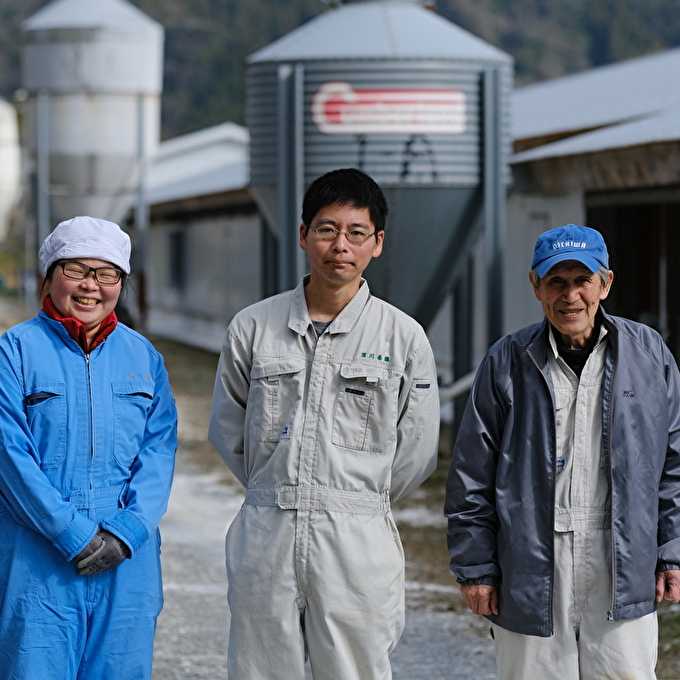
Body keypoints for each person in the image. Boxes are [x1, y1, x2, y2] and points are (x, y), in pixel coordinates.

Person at [209, 168, 440, 679]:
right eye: (326, 229)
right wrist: (278, 486)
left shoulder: (403, 337)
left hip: (356, 535)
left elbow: (417, 449)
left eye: (356, 232)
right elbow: (229, 429)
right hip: (267, 529)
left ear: (377, 243)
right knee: (259, 669)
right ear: (302, 236)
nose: (340, 245)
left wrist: (356, 495)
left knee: (354, 670)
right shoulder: (253, 328)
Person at [445, 224, 680, 679]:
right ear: (536, 286)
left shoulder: (649, 355)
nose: (570, 296)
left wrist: (671, 550)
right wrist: (476, 566)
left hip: (623, 560)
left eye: (582, 281)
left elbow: (674, 462)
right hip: (530, 563)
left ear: (605, 283)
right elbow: (471, 473)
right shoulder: (507, 361)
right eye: (556, 281)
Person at [0, 216, 177, 679]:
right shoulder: (14, 352)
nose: (90, 286)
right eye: (75, 270)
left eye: (106, 274)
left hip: (126, 562)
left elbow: (159, 451)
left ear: (121, 281)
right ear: (50, 275)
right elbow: (9, 456)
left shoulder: (144, 357)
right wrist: (72, 534)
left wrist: (129, 530)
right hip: (38, 557)